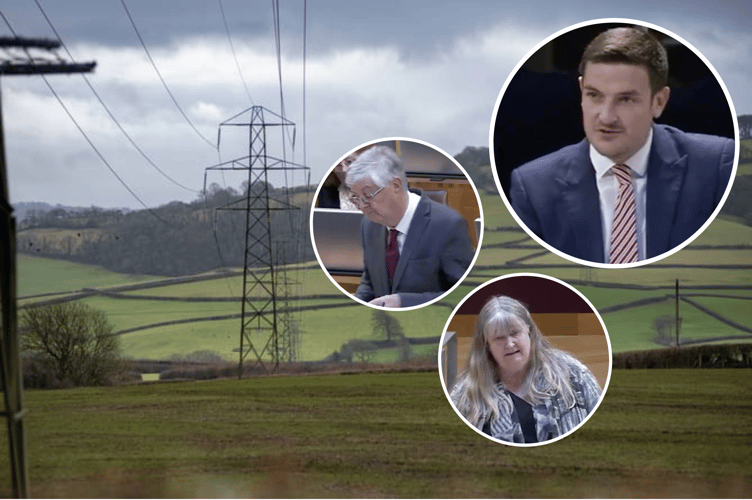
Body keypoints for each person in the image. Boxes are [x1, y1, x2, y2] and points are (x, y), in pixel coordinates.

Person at [509, 26, 735, 264]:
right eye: (594, 95)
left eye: (625, 99)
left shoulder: (715, 167)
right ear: (581, 92)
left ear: (658, 102)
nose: (606, 117)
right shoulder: (533, 186)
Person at [450, 295, 602, 444]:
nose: (509, 344)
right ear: (486, 345)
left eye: (515, 333)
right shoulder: (465, 396)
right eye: (499, 338)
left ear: (529, 332)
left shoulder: (573, 375)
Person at [345, 145, 474, 308]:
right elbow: (369, 282)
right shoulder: (368, 225)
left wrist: (405, 303)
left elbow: (462, 294)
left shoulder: (449, 225)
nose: (362, 206)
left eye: (368, 195)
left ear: (396, 185)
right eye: (356, 198)